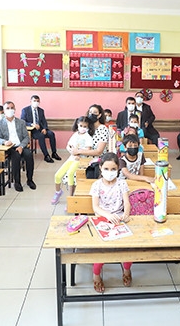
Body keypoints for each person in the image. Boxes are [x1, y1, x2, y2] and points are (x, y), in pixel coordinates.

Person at [90, 152, 132, 293]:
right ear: (100, 168)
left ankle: (126, 270)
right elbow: (95, 207)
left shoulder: (122, 183)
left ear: (118, 169)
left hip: (119, 220)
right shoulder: (97, 185)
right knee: (102, 251)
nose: (110, 172)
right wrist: (108, 215)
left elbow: (127, 203)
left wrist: (126, 214)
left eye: (113, 169)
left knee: (128, 249)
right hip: (102, 220)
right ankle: (96, 275)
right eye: (106, 169)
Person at [51, 116, 94, 205]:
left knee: (70, 174)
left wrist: (78, 153)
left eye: (85, 126)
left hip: (80, 159)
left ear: (88, 127)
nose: (82, 128)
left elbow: (88, 150)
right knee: (58, 175)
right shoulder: (75, 135)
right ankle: (58, 192)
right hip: (71, 157)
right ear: (77, 125)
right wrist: (72, 151)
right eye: (81, 126)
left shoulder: (88, 137)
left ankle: (70, 198)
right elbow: (69, 146)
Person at [0, 101, 36, 191]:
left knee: (29, 155)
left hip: (21, 145)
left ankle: (30, 180)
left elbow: (26, 137)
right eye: (7, 108)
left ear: (15, 109)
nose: (10, 110)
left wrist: (21, 146)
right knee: (16, 157)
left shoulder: (21, 122)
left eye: (12, 108)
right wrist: (4, 142)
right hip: (9, 147)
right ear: (4, 111)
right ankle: (17, 182)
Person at [20, 95, 61, 163]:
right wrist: (32, 124)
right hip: (32, 130)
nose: (36, 102)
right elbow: (22, 121)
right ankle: (46, 155)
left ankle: (54, 153)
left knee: (51, 134)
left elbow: (44, 121)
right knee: (41, 136)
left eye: (37, 101)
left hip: (41, 129)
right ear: (30, 101)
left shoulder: (41, 110)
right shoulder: (25, 110)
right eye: (34, 101)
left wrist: (45, 128)